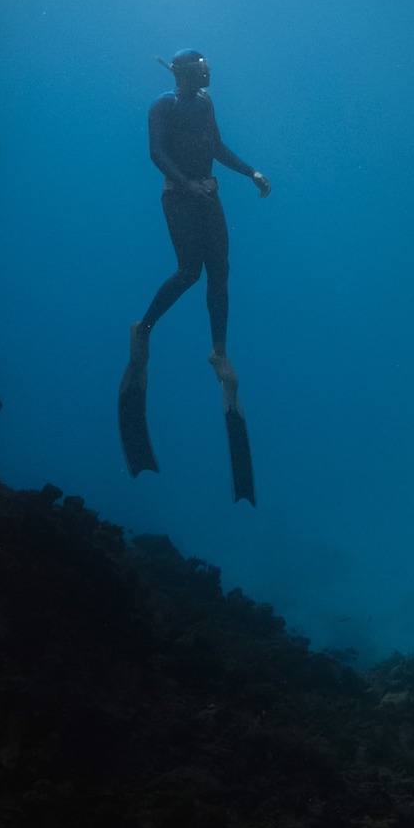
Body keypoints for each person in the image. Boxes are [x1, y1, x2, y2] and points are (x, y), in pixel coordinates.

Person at [119, 49, 270, 502]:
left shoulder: (204, 103)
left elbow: (216, 147)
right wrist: (187, 185)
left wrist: (251, 172)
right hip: (180, 198)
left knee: (220, 272)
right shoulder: (163, 105)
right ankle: (142, 328)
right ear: (185, 71)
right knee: (189, 271)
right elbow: (156, 151)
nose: (208, 71)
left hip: (209, 196)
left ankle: (219, 353)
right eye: (201, 67)